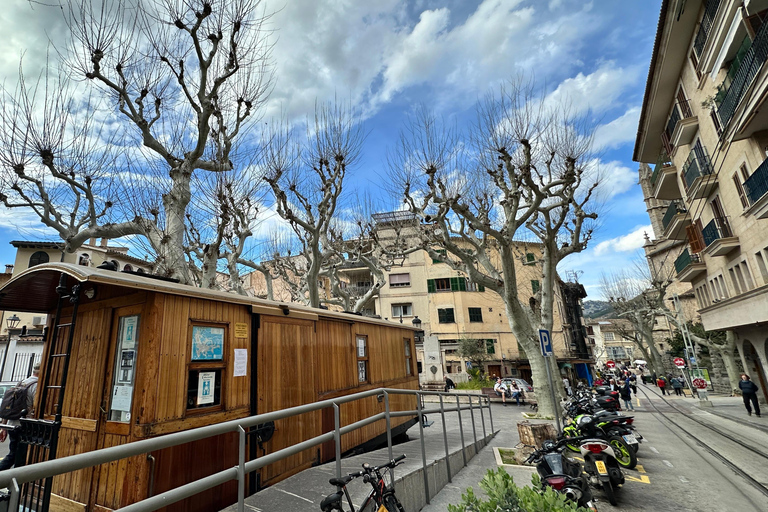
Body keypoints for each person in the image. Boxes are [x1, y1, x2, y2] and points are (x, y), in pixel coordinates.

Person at [0, 363, 39, 471]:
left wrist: (4, 427)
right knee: (18, 457)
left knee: (13, 454)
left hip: (12, 424)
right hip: (25, 426)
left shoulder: (22, 383)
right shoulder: (37, 385)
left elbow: (9, 406)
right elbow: (37, 406)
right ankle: (17, 483)